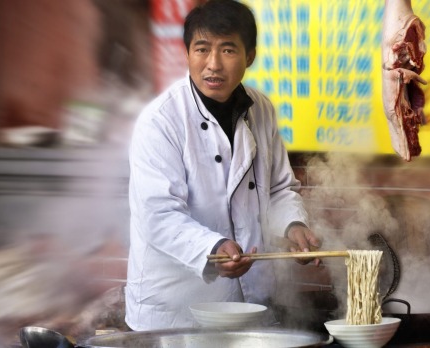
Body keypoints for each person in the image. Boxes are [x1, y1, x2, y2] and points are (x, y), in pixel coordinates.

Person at [125, 0, 321, 330]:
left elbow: (277, 189)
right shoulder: (160, 121)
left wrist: (292, 226)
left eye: (228, 50)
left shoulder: (261, 109)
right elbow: (158, 213)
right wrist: (213, 247)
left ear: (250, 56)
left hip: (246, 303)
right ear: (186, 53)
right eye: (202, 49)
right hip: (176, 308)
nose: (213, 64)